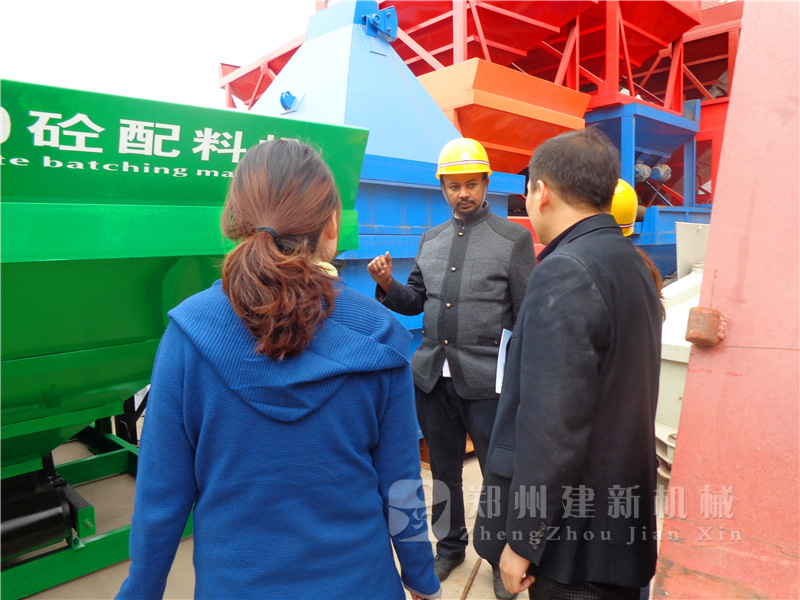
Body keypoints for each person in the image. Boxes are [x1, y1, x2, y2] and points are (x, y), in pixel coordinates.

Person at [116, 139, 441, 600]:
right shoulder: (380, 333)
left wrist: (140, 591)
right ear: (332, 225)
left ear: (234, 222)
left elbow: (160, 497)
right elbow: (403, 483)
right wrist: (421, 577)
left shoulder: (188, 334)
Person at [474, 127, 662, 599]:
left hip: (571, 549)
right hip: (616, 530)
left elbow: (552, 426)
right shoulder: (630, 262)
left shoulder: (565, 270)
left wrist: (522, 540)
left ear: (541, 192)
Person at [367, 138, 535, 599]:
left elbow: (526, 316)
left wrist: (521, 383)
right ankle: (450, 546)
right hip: (431, 377)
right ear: (443, 188)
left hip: (487, 381)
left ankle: (499, 556)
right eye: (454, 186)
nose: (464, 193)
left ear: (486, 183)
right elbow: (414, 302)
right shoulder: (431, 240)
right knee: (442, 470)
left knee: (498, 473)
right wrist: (387, 284)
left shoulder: (513, 240)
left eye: (472, 184)